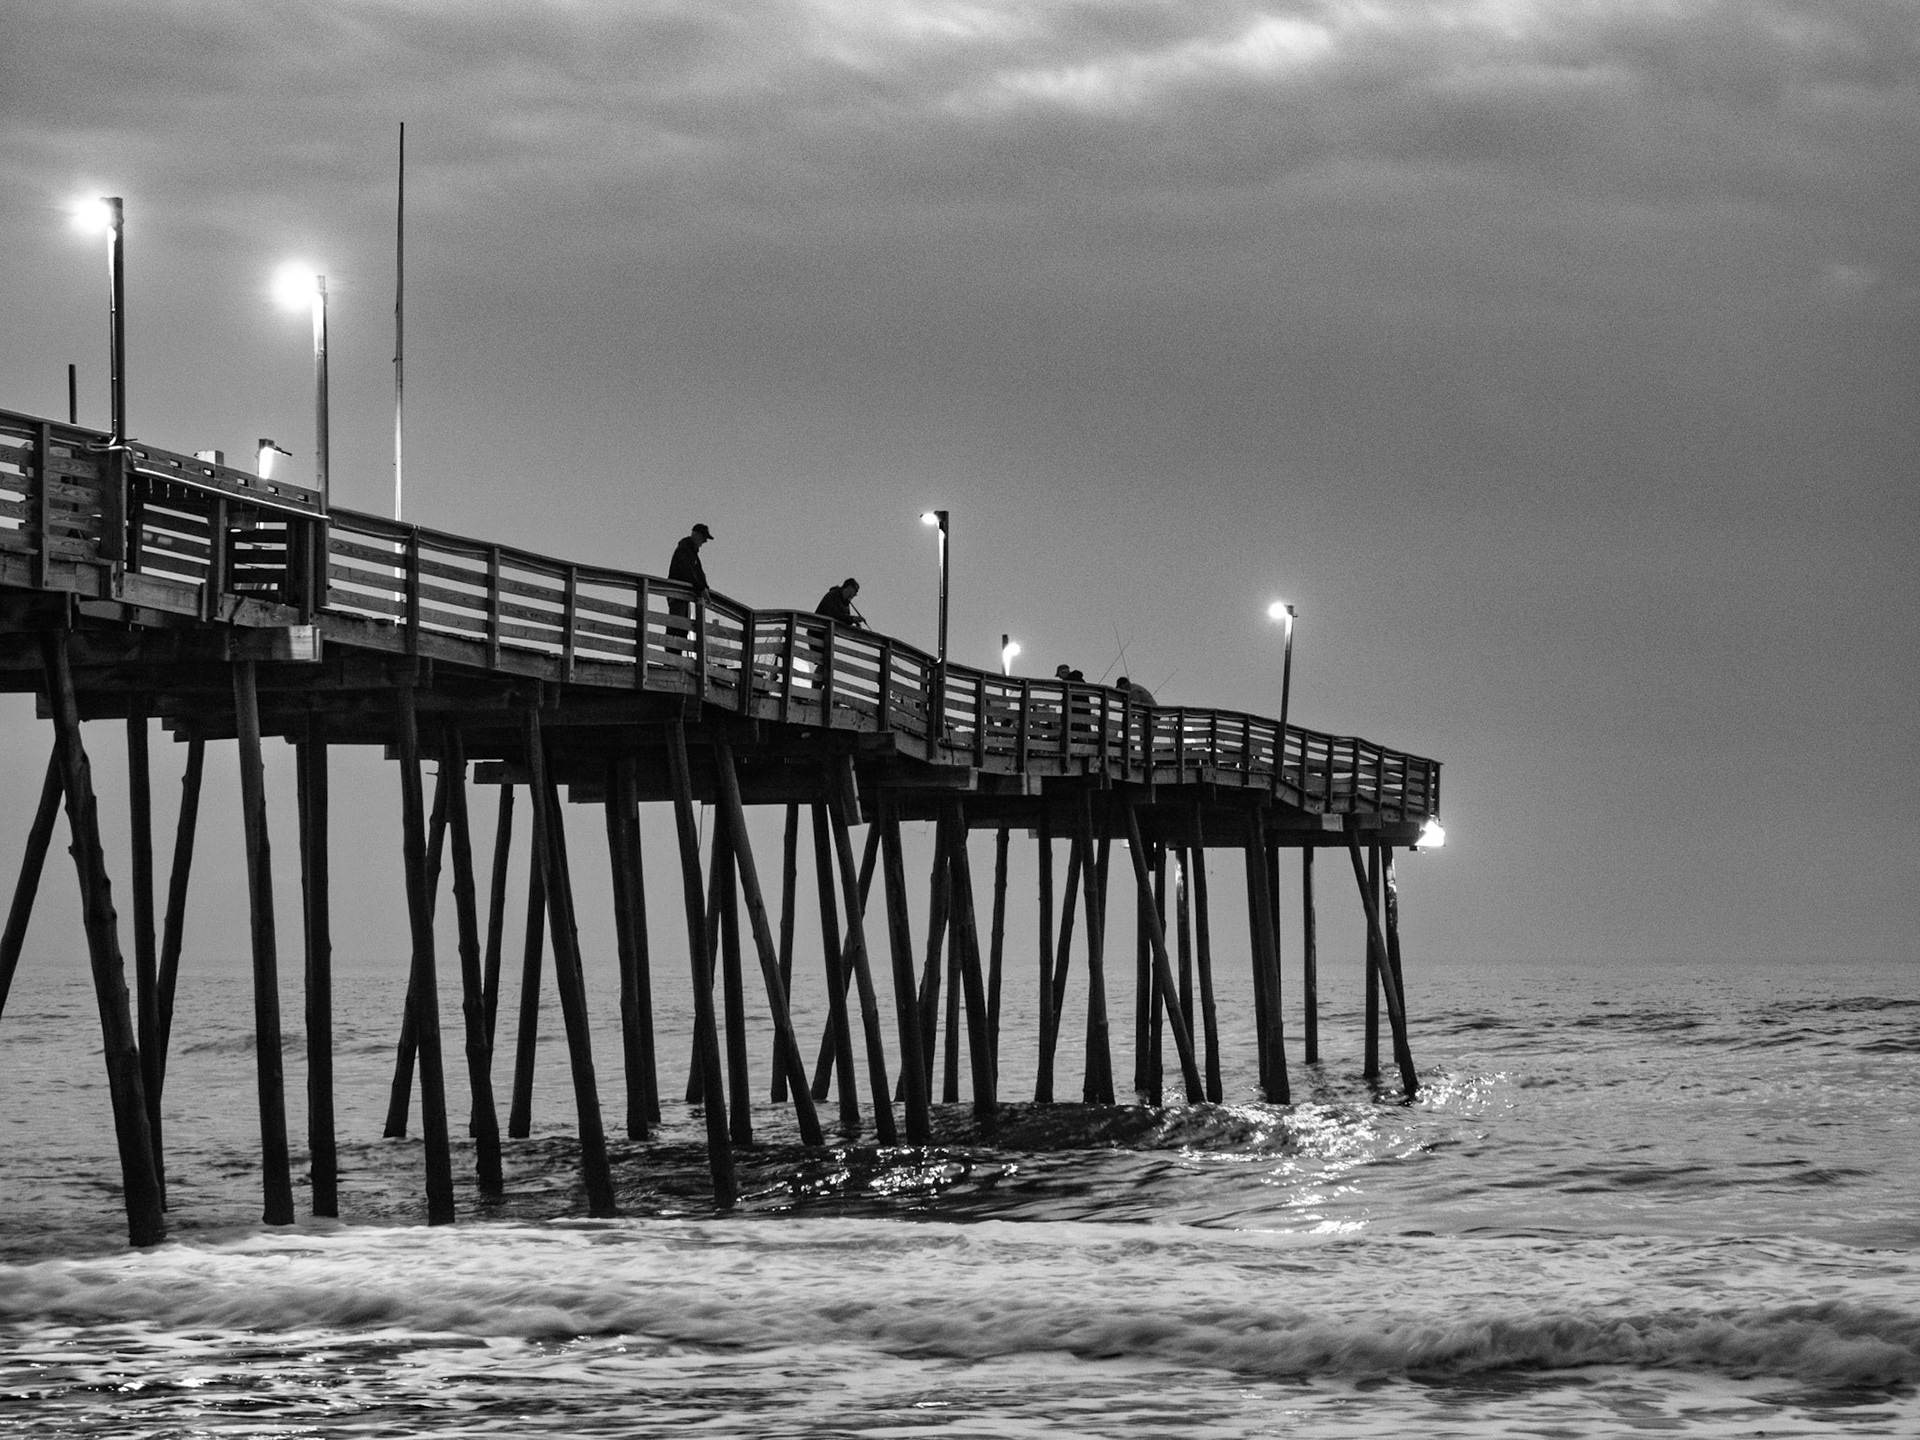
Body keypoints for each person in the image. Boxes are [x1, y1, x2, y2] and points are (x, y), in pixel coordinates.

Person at [666, 523, 712, 654]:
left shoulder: (690, 551)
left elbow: (698, 573)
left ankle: (675, 656)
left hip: (683, 595)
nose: (704, 541)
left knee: (682, 626)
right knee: (677, 624)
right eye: (704, 538)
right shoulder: (685, 550)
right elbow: (688, 572)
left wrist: (705, 588)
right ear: (696, 535)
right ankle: (672, 657)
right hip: (677, 594)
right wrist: (702, 589)